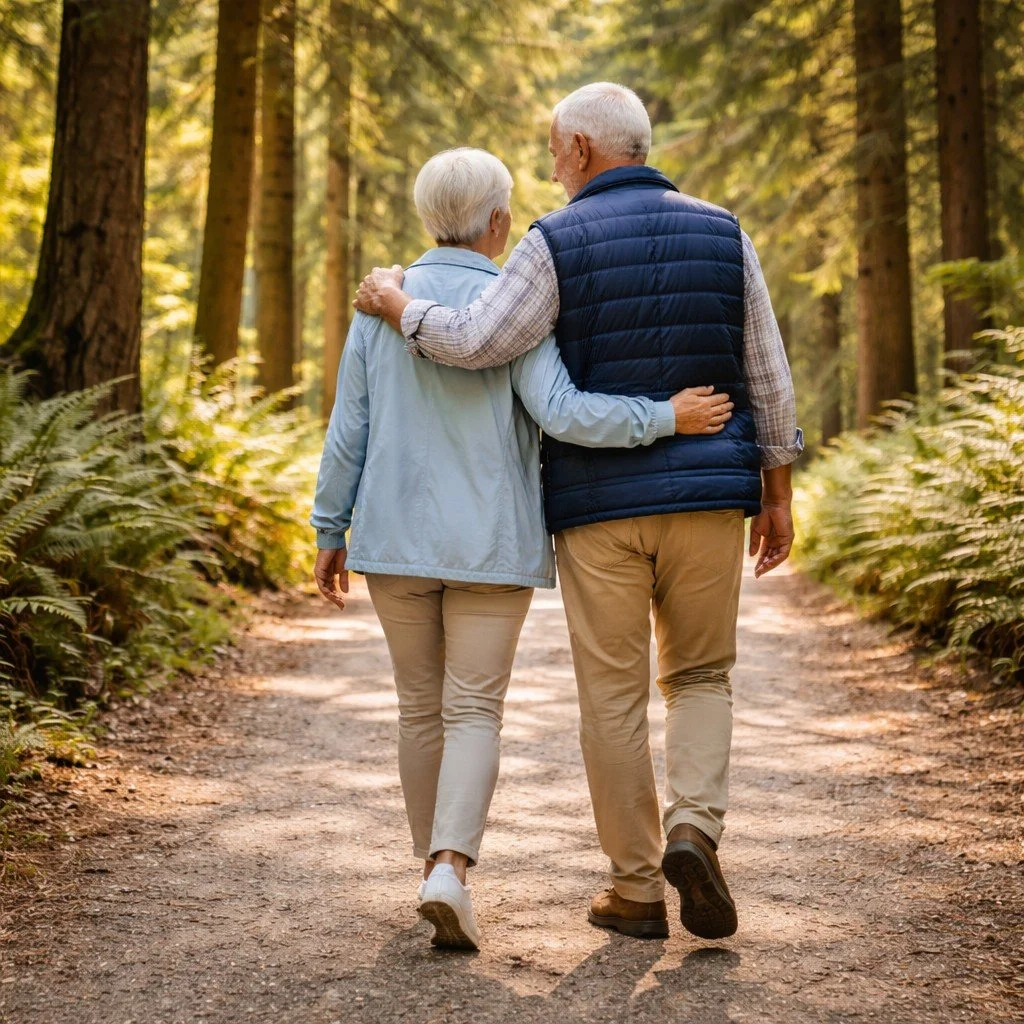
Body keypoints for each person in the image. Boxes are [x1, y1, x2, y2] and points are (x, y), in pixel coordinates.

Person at [352, 83, 804, 941]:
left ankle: (635, 890)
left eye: (556, 151)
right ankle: (694, 829)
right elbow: (767, 370)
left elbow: (483, 342)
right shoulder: (725, 230)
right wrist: (776, 488)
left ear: (584, 149)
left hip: (599, 508)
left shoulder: (550, 242)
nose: (550, 168)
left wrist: (400, 305)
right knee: (703, 676)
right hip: (712, 496)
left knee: (613, 698)